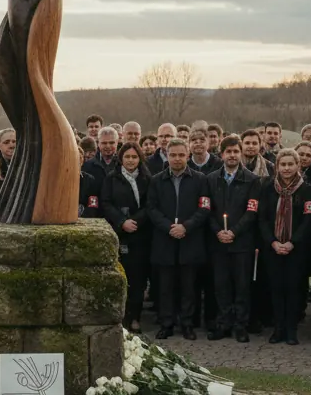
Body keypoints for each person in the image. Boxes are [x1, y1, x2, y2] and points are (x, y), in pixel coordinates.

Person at [146, 138, 210, 340]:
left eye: (181, 155)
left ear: (188, 155)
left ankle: (187, 324)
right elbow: (151, 208)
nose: (177, 159)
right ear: (167, 155)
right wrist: (169, 227)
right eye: (173, 155)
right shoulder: (156, 180)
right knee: (165, 288)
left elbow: (204, 208)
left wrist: (186, 227)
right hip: (165, 241)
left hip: (190, 240)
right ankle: (167, 323)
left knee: (188, 288)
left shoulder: (200, 180)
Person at [257, 149, 311, 345]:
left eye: (291, 164)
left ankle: (291, 330)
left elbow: (308, 220)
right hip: (273, 247)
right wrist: (273, 242)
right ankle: (278, 328)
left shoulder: (306, 189)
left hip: (296, 248)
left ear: (298, 166)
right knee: (276, 288)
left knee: (293, 289)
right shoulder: (267, 188)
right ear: (277, 167)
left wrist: (292, 243)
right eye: (283, 164)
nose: (287, 168)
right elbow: (262, 219)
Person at [205, 136, 259, 342]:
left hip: (242, 243)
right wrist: (218, 231)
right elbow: (206, 210)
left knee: (242, 286)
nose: (232, 155)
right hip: (218, 242)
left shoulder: (252, 180)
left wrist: (234, 232)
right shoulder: (211, 179)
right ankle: (223, 322)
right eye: (228, 152)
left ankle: (240, 324)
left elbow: (251, 212)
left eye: (236, 151)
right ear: (222, 154)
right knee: (221, 285)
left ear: (241, 153)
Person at [102, 143, 152, 332]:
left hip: (141, 233)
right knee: (121, 278)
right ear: (121, 159)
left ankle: (135, 317)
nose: (131, 160)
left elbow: (150, 204)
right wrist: (122, 222)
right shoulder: (111, 178)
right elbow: (106, 203)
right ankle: (120, 317)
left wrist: (135, 221)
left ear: (139, 159)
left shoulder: (147, 179)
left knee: (138, 280)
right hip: (120, 234)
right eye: (127, 157)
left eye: (134, 157)